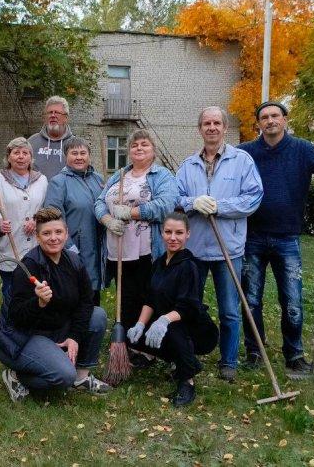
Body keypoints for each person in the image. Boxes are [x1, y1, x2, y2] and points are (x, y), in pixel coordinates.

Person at [238, 101, 314, 374]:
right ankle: (254, 351)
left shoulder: (303, 149)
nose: (270, 121)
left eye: (275, 116)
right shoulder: (245, 153)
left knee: (292, 300)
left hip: (287, 238)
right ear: (258, 124)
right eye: (264, 117)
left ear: (284, 119)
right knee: (251, 299)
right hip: (252, 238)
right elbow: (223, 169)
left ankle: (294, 355)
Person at [176, 106, 263, 382]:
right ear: (199, 129)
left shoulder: (242, 161)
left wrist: (220, 206)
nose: (211, 127)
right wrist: (192, 202)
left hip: (229, 248)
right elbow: (176, 198)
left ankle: (229, 361)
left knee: (229, 309)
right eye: (206, 123)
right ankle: (187, 357)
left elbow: (253, 197)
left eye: (216, 123)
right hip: (196, 250)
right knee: (189, 307)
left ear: (225, 128)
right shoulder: (188, 165)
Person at [0, 207, 112, 402]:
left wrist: (74, 336)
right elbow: (15, 316)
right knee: (64, 376)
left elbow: (85, 301)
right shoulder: (29, 266)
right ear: (38, 238)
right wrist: (38, 303)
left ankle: (81, 377)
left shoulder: (74, 261)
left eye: (58, 232)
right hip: (23, 336)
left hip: (56, 327)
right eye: (46, 233)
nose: (53, 238)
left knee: (97, 315)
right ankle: (16, 376)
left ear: (66, 234)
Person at [94, 129, 178, 356]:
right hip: (118, 249)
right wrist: (108, 219)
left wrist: (132, 212)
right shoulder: (119, 174)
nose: (139, 148)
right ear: (128, 151)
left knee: (146, 296)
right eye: (134, 145)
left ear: (154, 150)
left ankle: (148, 347)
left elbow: (166, 204)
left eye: (144, 145)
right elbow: (100, 202)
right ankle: (128, 344)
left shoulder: (162, 176)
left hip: (145, 250)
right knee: (126, 297)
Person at [125, 213, 218, 406]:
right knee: (132, 331)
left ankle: (187, 381)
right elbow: (150, 299)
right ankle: (185, 361)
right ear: (162, 233)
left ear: (188, 234)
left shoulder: (190, 266)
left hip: (195, 329)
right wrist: (140, 325)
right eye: (168, 232)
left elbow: (188, 307)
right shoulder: (159, 263)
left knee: (173, 330)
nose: (173, 237)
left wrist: (163, 321)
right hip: (166, 322)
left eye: (179, 233)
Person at [43, 137, 106, 304]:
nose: (79, 157)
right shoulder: (59, 182)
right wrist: (69, 247)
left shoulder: (98, 180)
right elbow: (53, 217)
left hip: (97, 247)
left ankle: (93, 326)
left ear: (89, 156)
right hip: (74, 248)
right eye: (74, 153)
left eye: (83, 153)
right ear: (66, 156)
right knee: (76, 291)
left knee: (93, 294)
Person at [0, 137, 48, 305]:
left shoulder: (41, 180)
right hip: (10, 244)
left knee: (35, 290)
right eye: (16, 153)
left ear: (31, 157)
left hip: (35, 246)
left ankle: (31, 326)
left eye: (25, 153)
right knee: (11, 292)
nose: (21, 157)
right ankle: (9, 327)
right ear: (9, 157)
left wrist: (37, 220)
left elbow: (46, 208)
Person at [28, 96, 74, 179]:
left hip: (65, 191)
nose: (53, 115)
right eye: (50, 112)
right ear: (45, 118)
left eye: (57, 112)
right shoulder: (32, 142)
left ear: (66, 118)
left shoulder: (75, 144)